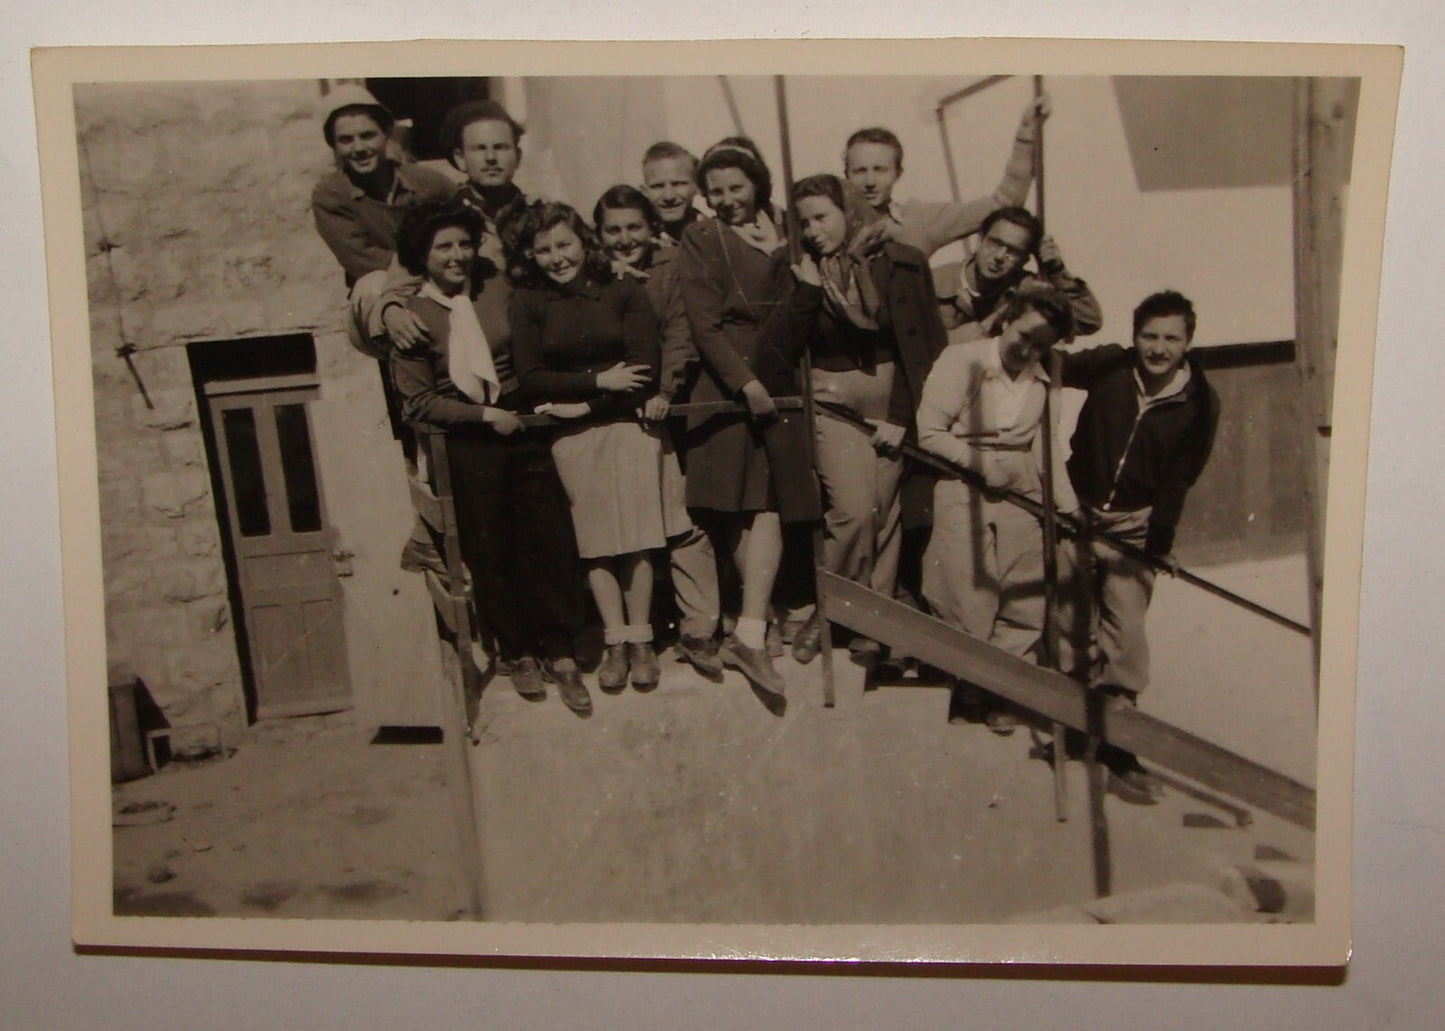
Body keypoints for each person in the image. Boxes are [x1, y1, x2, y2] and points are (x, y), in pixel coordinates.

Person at [386, 201, 590, 716]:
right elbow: (418, 402)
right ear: (420, 255)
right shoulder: (412, 317)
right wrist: (481, 417)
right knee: (491, 546)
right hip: (467, 434)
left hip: (520, 419)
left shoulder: (495, 286)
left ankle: (561, 649)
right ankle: (517, 651)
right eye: (442, 247)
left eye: (463, 244)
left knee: (547, 535)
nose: (457, 256)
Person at [1058, 290, 1220, 803]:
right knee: (1070, 624)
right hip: (1075, 512)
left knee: (1125, 637)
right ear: (1134, 336)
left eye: (1171, 338)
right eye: (1149, 335)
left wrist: (1158, 544)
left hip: (1131, 528)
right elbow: (1053, 361)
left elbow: (1179, 480)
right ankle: (1074, 723)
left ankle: (1120, 744)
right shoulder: (1111, 367)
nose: (1158, 348)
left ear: (1188, 342)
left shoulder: (1198, 403)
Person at [509, 203, 678, 695]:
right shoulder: (527, 302)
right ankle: (615, 642)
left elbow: (643, 368)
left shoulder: (624, 291)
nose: (556, 257)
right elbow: (532, 377)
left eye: (564, 244)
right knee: (598, 541)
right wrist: (601, 379)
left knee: (639, 535)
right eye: (543, 250)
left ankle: (642, 639)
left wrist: (582, 403)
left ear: (584, 241)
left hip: (625, 425)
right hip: (574, 440)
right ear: (530, 255)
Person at [678, 137, 822, 700]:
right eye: (714, 191)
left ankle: (752, 629)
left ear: (758, 183)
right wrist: (746, 382)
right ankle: (753, 631)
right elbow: (703, 323)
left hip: (782, 374)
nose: (726, 200)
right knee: (744, 504)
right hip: (729, 379)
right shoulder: (703, 237)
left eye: (736, 187)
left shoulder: (789, 230)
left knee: (771, 500)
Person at [787, 173, 950, 666]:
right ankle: (830, 608)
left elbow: (923, 347)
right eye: (803, 222)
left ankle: (870, 624)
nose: (813, 231)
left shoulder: (899, 262)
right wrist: (807, 291)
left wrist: (902, 415)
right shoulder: (800, 270)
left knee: (884, 513)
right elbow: (788, 342)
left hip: (890, 399)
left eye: (822, 217)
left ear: (848, 211)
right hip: (831, 397)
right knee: (855, 509)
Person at [308, 84, 458, 576]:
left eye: (367, 135)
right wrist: (401, 299)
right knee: (376, 283)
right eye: (345, 139)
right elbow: (360, 259)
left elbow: (463, 222)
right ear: (334, 146)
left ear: (386, 134)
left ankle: (429, 531)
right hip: (374, 308)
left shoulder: (428, 183)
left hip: (433, 298)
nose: (358, 148)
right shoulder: (331, 194)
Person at [915, 284, 1078, 733]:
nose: (1028, 350)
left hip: (1023, 484)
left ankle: (1004, 690)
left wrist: (1067, 506)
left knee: (1024, 587)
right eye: (1024, 335)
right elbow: (928, 431)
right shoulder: (961, 359)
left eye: (1042, 345)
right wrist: (981, 464)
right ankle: (972, 679)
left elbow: (1047, 444)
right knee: (964, 587)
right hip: (963, 476)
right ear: (1007, 317)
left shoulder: (1048, 374)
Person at [593, 185, 725, 679]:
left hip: (665, 405)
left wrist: (663, 390)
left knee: (682, 518)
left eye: (633, 228)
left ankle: (697, 626)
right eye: (613, 230)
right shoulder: (589, 269)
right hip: (611, 409)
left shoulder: (670, 267)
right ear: (598, 233)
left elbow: (680, 332)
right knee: (624, 527)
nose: (624, 239)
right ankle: (631, 636)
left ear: (651, 228)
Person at [378, 99, 535, 352]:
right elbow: (395, 289)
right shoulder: (439, 222)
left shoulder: (539, 217)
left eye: (501, 147)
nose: (491, 158)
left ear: (517, 156)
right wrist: (391, 312)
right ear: (460, 159)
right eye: (479, 149)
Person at [843, 96, 1048, 259]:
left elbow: (1002, 204)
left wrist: (1026, 135)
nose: (870, 182)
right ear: (847, 175)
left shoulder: (918, 219)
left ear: (898, 173)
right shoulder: (827, 221)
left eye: (880, 170)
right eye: (860, 171)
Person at [933, 206, 1102, 344]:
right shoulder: (933, 282)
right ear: (980, 239)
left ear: (1025, 259)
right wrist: (953, 340)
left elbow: (1088, 320)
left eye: (1013, 251)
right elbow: (908, 348)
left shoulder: (1028, 289)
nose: (999, 256)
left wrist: (1056, 270)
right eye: (995, 243)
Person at [641, 141, 705, 245]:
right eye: (658, 186)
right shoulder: (640, 243)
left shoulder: (716, 233)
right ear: (645, 191)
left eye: (678, 184)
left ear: (697, 186)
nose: (669, 196)